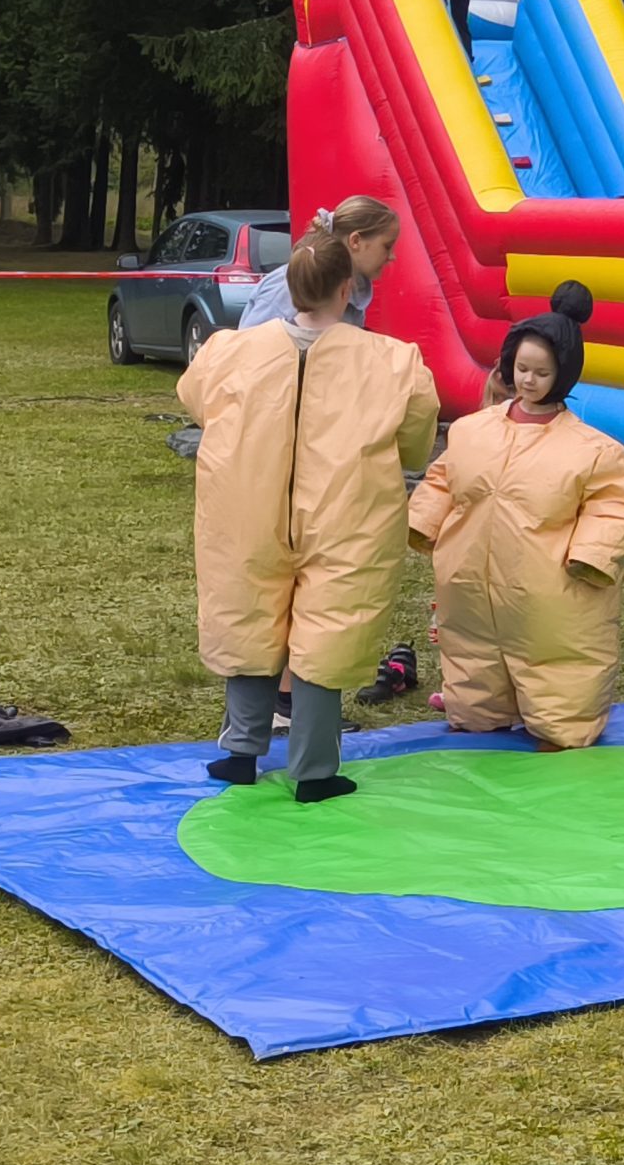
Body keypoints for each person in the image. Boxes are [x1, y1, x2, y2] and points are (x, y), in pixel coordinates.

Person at [178, 236, 441, 802]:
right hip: (349, 512)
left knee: (248, 613)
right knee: (332, 628)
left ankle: (241, 751)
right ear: (348, 289)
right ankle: (314, 770)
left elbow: (195, 398)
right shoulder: (392, 362)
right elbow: (416, 439)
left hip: (246, 504)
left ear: (290, 287)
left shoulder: (230, 351)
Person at [408, 294, 624, 751]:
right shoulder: (473, 431)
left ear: (563, 375)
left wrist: (590, 556)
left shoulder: (594, 451)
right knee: (472, 647)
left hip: (547, 582)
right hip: (468, 575)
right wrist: (423, 521)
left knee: (555, 652)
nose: (528, 380)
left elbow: (614, 506)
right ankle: (479, 711)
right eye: (521, 369)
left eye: (541, 372)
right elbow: (445, 478)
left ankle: (562, 723)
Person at [239, 196, 401, 334]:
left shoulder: (355, 290)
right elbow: (249, 351)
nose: (392, 256)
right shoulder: (289, 287)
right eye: (387, 246)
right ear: (355, 241)